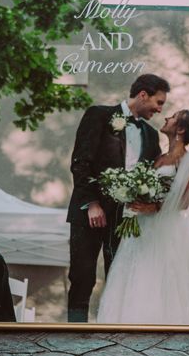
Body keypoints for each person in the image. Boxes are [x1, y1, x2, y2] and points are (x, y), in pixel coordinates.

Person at [96, 110, 189, 326]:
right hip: (143, 226)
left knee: (162, 274)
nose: (167, 117)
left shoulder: (186, 162)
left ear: (180, 129)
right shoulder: (160, 157)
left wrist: (154, 206)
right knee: (137, 273)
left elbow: (184, 203)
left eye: (173, 116)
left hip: (167, 230)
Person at [66, 74, 168, 322]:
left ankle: (111, 328)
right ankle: (74, 332)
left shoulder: (151, 135)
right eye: (159, 101)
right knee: (82, 275)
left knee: (119, 277)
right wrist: (92, 204)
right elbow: (81, 163)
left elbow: (151, 176)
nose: (160, 108)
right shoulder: (98, 115)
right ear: (143, 95)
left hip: (125, 220)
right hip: (89, 213)